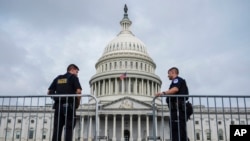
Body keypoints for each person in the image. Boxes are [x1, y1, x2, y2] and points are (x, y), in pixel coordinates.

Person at [48, 64, 82, 141]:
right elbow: (78, 91)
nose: (77, 74)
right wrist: (77, 103)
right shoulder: (73, 78)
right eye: (76, 72)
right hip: (69, 106)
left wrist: (57, 98)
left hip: (58, 106)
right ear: (72, 70)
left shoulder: (58, 78)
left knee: (57, 129)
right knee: (69, 128)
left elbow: (49, 92)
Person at [155, 67, 189, 141]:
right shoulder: (178, 81)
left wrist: (163, 93)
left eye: (169, 73)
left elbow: (175, 89)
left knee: (177, 129)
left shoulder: (177, 80)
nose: (168, 75)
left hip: (178, 108)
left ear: (173, 72)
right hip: (178, 108)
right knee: (180, 129)